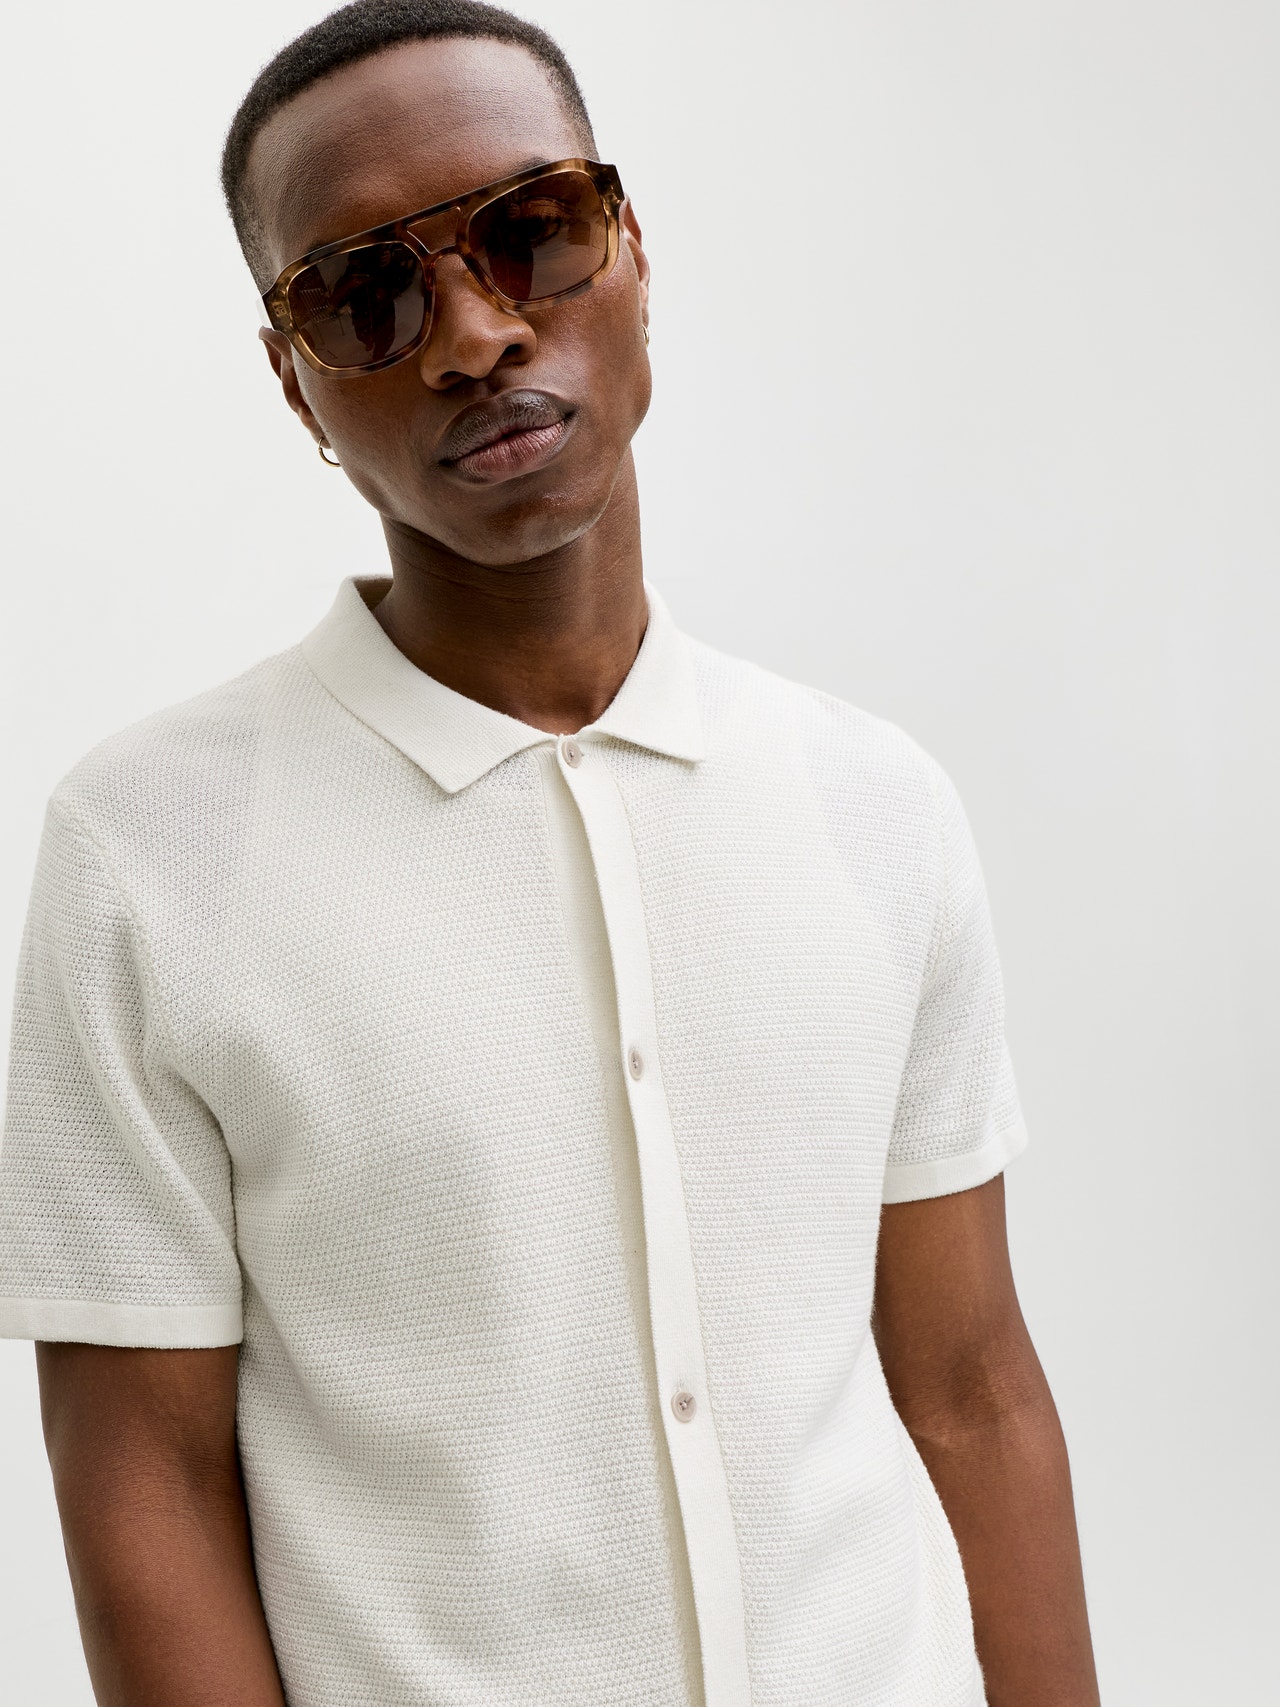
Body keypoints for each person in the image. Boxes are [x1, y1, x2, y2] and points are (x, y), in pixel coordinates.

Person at [0, 3, 1101, 1704]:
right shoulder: (151, 852)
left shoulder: (873, 803)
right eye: (367, 295)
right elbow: (146, 1479)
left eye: (532, 231)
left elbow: (971, 1389)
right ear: (295, 380)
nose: (474, 334)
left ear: (632, 252)